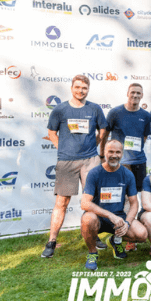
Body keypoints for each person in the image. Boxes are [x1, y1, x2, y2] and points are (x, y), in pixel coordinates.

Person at [41, 74, 108, 258]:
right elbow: (51, 132)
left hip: (90, 161)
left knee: (93, 202)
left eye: (84, 88)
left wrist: (93, 146)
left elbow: (103, 130)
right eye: (77, 87)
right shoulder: (60, 110)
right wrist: (61, 149)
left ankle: (94, 237)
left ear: (88, 90)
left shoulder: (94, 109)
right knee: (61, 203)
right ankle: (52, 241)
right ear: (72, 88)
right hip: (66, 161)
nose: (81, 91)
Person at [80, 140, 148, 270]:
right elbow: (84, 203)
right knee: (88, 219)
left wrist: (127, 223)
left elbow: (134, 204)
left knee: (142, 234)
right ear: (104, 152)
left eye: (118, 152)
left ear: (122, 154)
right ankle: (92, 253)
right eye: (111, 151)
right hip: (98, 218)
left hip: (119, 218)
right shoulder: (94, 173)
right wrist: (110, 215)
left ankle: (115, 240)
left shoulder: (127, 174)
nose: (114, 155)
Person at [103, 83, 151, 251]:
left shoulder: (145, 115)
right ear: (127, 93)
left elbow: (144, 137)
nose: (135, 95)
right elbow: (105, 134)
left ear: (142, 95)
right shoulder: (115, 112)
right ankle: (124, 235)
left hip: (139, 161)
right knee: (122, 199)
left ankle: (134, 232)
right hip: (121, 163)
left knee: (135, 198)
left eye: (138, 93)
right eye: (132, 92)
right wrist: (103, 155)